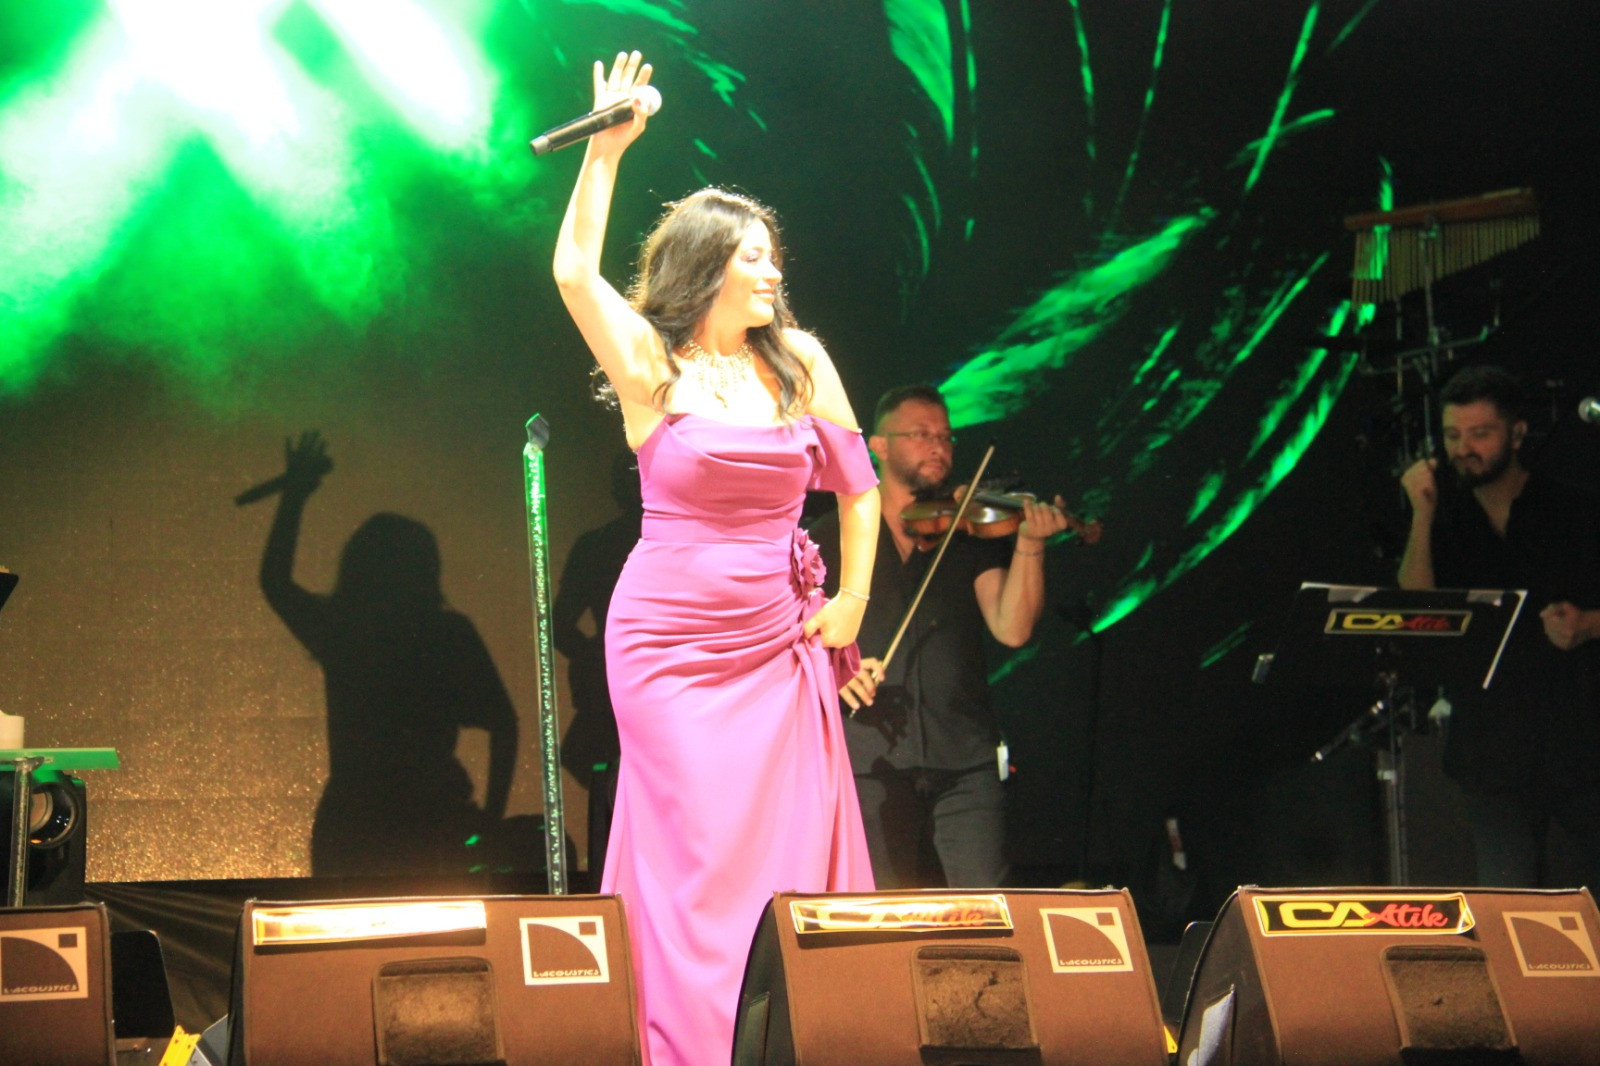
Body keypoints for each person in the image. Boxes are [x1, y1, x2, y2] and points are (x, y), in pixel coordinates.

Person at [550, 51, 881, 1066]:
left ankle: (788, 1039)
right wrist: (607, 151)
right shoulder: (652, 365)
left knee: (784, 853)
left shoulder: (800, 360)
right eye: (756, 257)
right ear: (709, 266)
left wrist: (852, 599)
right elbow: (573, 274)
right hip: (669, 647)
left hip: (776, 641)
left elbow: (859, 487)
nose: (774, 272)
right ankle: (688, 1045)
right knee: (697, 853)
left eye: (775, 257)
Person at [812, 385, 1071, 888]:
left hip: (964, 761)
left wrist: (1030, 544)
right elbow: (795, 631)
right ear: (879, 446)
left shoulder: (968, 533)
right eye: (921, 434)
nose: (938, 447)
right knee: (878, 913)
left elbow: (1012, 628)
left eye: (945, 437)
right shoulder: (830, 536)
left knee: (984, 910)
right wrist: (833, 668)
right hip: (867, 758)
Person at [258, 431, 519, 877]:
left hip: (353, 819)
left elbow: (275, 582)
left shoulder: (344, 630)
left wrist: (294, 495)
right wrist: (492, 821)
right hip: (432, 815)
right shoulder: (447, 633)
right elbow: (504, 725)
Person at [1397, 364, 1600, 889]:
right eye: (1452, 435)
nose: (1464, 448)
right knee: (1507, 896)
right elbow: (1418, 612)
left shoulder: (1572, 509)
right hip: (1491, 749)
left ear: (1516, 433)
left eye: (1480, 433)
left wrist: (1588, 623)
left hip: (1579, 739)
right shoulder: (1448, 520)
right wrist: (1420, 515)